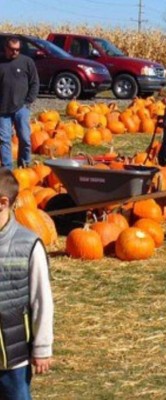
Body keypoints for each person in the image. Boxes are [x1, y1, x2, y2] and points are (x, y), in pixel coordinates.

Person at [0, 168, 53, 399]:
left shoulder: (28, 245)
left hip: (13, 357)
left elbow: (41, 300)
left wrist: (42, 347)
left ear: (2, 203)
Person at [0, 37, 39, 170]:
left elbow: (34, 83)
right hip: (3, 110)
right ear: (6, 48)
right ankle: (7, 169)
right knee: (4, 140)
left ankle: (24, 164)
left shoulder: (27, 62)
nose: (15, 52)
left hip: (21, 108)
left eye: (18, 49)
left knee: (25, 139)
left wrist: (28, 101)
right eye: (12, 49)